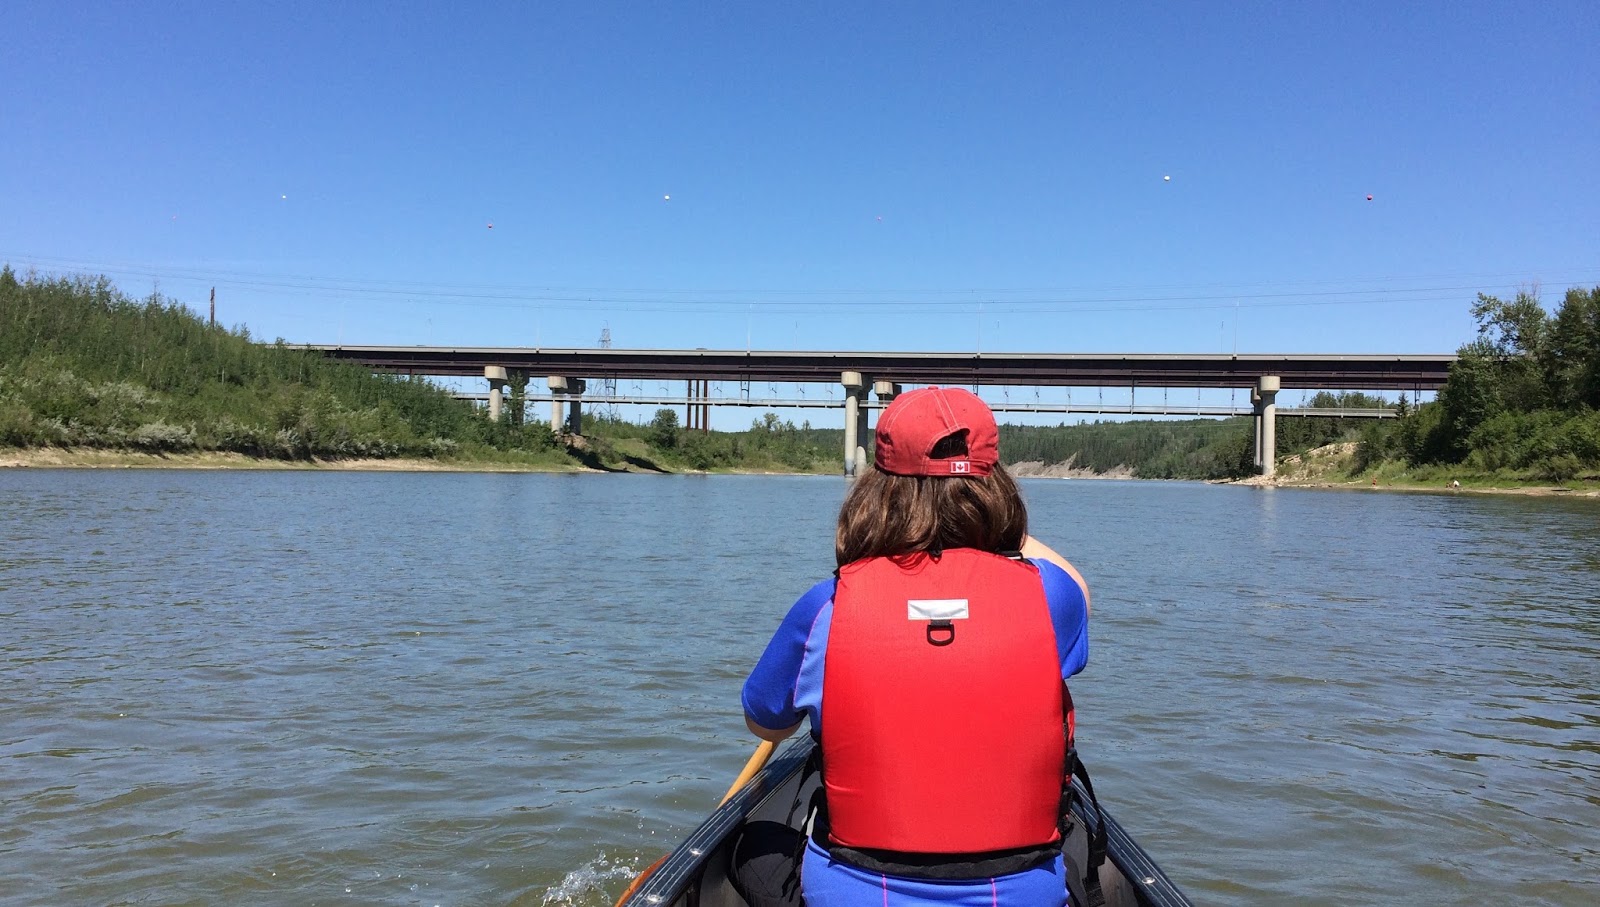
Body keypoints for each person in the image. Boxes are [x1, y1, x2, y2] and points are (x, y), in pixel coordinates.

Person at [741, 386, 1092, 907]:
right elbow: (1078, 588)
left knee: (751, 843)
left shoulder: (825, 607)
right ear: (996, 485)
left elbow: (765, 725)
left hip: (859, 894)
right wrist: (995, 527)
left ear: (876, 490)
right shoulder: (1052, 598)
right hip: (1020, 893)